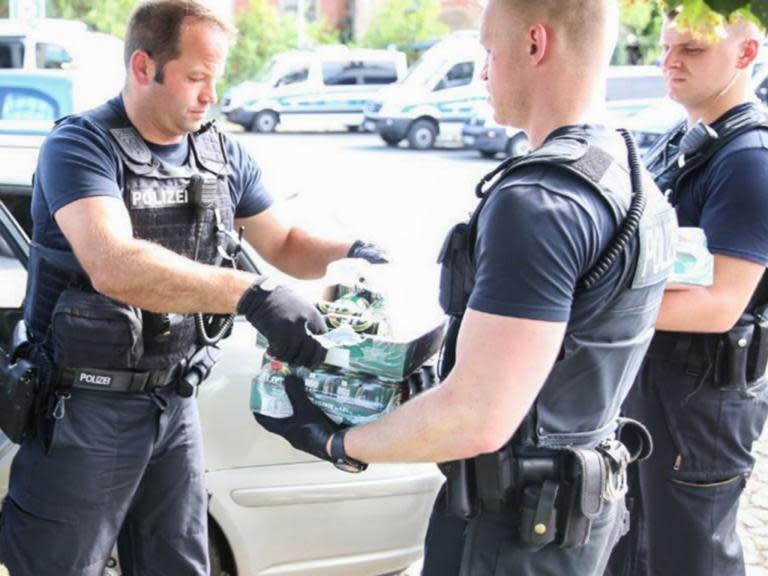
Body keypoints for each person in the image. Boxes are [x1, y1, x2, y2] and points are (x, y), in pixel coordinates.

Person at [253, 1, 678, 574]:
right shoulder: (631, 174)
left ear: (535, 45)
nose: (482, 73)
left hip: (512, 526)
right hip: (572, 515)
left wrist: (336, 443)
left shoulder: (541, 202)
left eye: (489, 52)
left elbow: (476, 417)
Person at [0, 1, 386, 575]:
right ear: (143, 66)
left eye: (217, 79)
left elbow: (285, 243)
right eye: (196, 78)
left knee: (179, 564)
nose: (210, 96)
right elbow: (115, 263)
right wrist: (251, 294)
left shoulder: (220, 152)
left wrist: (350, 251)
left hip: (175, 403)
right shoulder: (81, 147)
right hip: (85, 408)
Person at [605, 12, 768, 576]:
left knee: (690, 557)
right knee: (631, 548)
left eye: (692, 50)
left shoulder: (749, 160)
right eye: (667, 46)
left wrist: (595, 310)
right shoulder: (690, 136)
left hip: (701, 402)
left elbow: (721, 304)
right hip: (659, 386)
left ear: (746, 54)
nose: (670, 61)